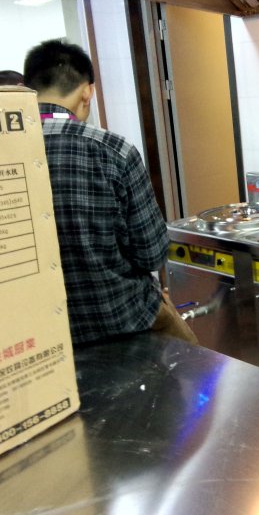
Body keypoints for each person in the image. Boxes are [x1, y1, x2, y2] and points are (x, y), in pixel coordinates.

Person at [23, 38, 197, 345]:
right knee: (194, 366)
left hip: (44, 335)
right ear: (87, 91)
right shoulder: (113, 150)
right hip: (125, 319)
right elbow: (152, 252)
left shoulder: (1, 152)